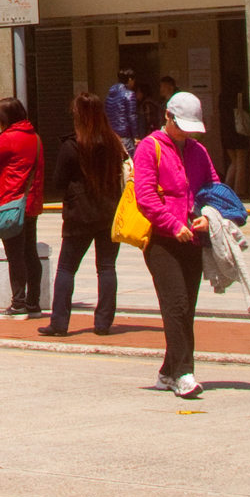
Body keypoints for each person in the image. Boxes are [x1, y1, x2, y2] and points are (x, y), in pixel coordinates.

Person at [135, 89, 220, 398]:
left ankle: (167, 372)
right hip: (161, 241)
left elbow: (213, 188)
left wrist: (208, 216)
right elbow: (144, 197)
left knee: (186, 310)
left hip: (193, 238)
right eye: (181, 126)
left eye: (191, 128)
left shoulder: (198, 151)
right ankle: (184, 373)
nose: (186, 134)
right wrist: (172, 224)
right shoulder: (149, 147)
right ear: (167, 117)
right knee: (176, 306)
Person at [40, 89, 125, 337]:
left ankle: (59, 323)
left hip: (80, 214)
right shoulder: (113, 142)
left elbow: (57, 182)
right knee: (107, 267)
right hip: (109, 212)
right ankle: (103, 323)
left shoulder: (72, 146)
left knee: (67, 268)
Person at [0, 96, 45, 320]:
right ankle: (33, 303)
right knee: (30, 254)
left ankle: (18, 305)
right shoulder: (34, 137)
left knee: (15, 256)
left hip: (11, 203)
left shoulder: (8, 138)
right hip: (30, 203)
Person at [103, 69, 139, 143]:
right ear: (130, 80)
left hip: (112, 134)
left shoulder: (110, 95)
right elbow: (132, 116)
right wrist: (136, 135)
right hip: (124, 134)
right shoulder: (129, 94)